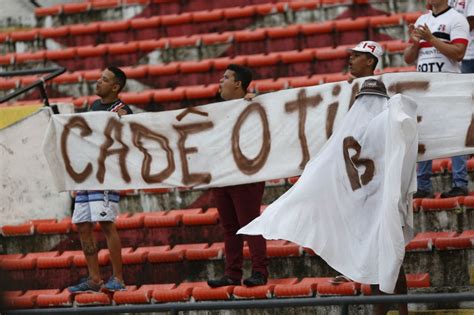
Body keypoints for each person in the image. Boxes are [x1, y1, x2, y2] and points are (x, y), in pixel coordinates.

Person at [68, 67, 133, 293]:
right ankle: (94, 278)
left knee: (106, 223)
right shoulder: (95, 107)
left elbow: (128, 141)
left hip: (106, 174)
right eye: (99, 78)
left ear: (115, 87)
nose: (98, 82)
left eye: (104, 80)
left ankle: (118, 278)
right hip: (87, 174)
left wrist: (124, 122)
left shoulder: (123, 110)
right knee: (83, 225)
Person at [207, 64, 269, 288]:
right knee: (229, 227)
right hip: (223, 174)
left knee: (250, 223)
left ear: (238, 84)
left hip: (247, 175)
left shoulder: (256, 105)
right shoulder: (216, 110)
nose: (220, 81)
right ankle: (232, 273)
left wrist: (258, 100)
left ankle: (260, 271)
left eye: (225, 77)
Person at [404, 0, 470, 199]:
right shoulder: (422, 20)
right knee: (422, 134)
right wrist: (415, 44)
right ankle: (423, 185)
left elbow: (459, 54)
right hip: (424, 85)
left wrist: (431, 38)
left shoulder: (457, 19)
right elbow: (408, 58)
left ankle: (460, 182)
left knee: (455, 133)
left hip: (448, 85)